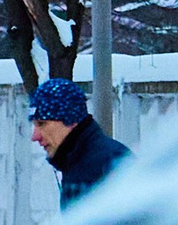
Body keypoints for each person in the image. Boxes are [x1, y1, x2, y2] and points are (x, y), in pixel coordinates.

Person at [27, 77, 131, 206]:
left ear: (70, 119)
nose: (35, 136)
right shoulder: (76, 164)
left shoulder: (111, 165)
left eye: (42, 124)